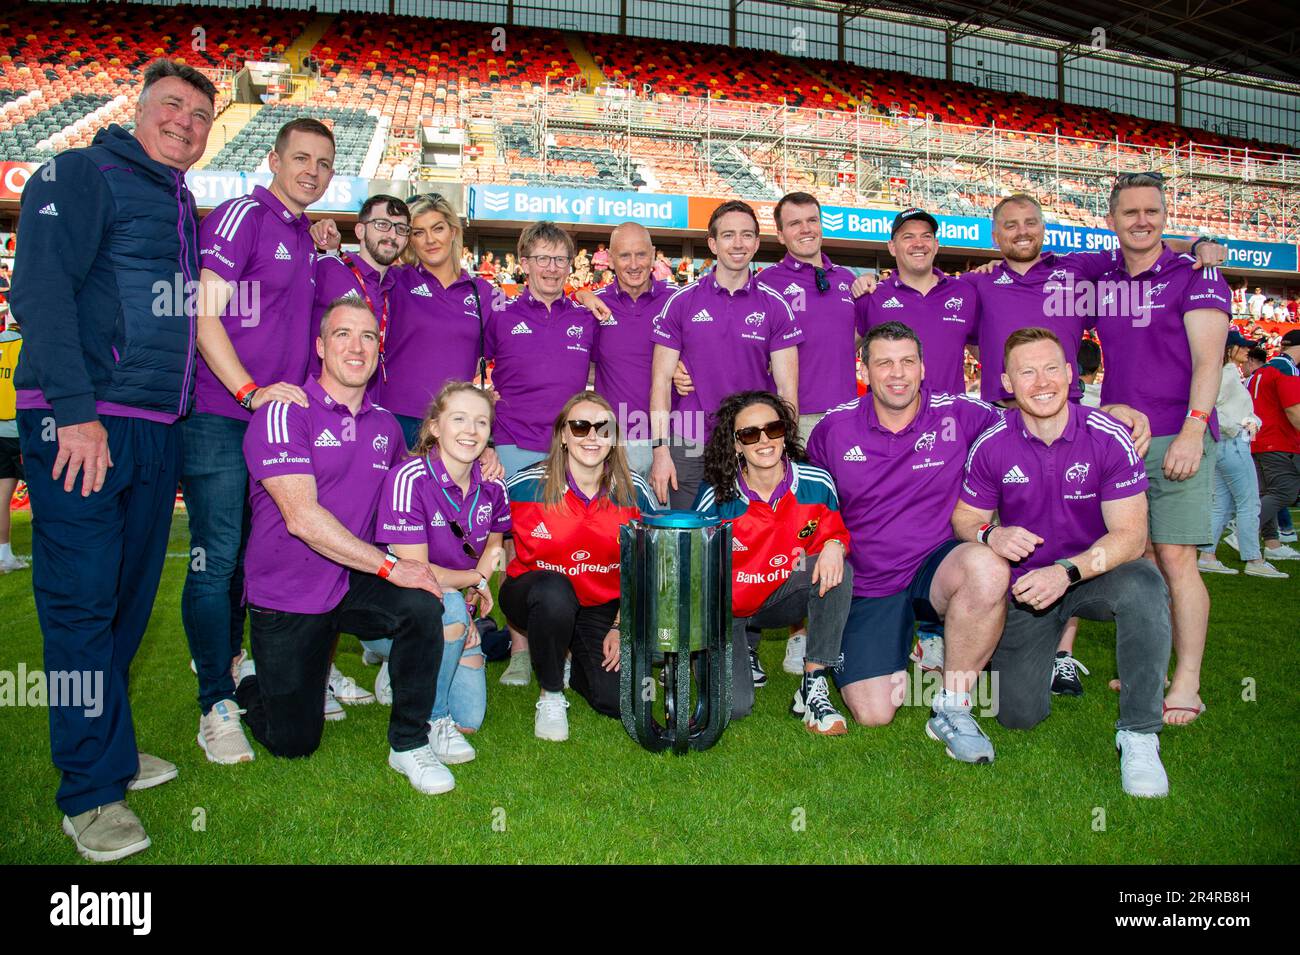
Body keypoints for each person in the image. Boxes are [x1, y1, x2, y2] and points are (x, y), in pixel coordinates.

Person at [11, 60, 217, 861]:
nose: (186, 124)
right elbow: (40, 291)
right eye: (172, 107)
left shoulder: (179, 200)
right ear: (139, 110)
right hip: (84, 425)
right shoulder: (79, 169)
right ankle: (89, 793)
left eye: (201, 116)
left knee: (129, 602)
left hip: (153, 428)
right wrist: (75, 412)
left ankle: (113, 751)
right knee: (79, 603)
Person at [237, 298, 452, 792]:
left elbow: (422, 482)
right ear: (320, 346)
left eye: (368, 336)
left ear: (379, 349)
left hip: (350, 580)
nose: (356, 347)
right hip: (289, 593)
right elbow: (302, 518)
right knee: (294, 742)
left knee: (422, 606)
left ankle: (410, 743)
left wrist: (480, 462)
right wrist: (390, 567)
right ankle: (249, 680)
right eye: (342, 334)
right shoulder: (284, 412)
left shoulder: (384, 426)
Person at [952, 327, 1173, 798]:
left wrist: (1067, 572)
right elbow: (966, 518)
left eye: (1052, 367)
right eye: (1026, 371)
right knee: (1016, 714)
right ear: (1007, 383)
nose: (1042, 381)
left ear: (1071, 374)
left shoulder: (1109, 435)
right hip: (1029, 589)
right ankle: (1041, 662)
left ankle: (1138, 734)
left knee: (1145, 585)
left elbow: (1132, 537)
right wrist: (992, 532)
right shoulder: (992, 442)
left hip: (1092, 574)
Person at [183, 117, 336, 762]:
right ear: (272, 159)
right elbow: (202, 313)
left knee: (256, 554)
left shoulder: (303, 236)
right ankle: (215, 698)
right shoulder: (242, 215)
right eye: (299, 158)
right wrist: (248, 391)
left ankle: (245, 667)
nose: (311, 171)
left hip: (274, 423)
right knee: (216, 557)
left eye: (323, 163)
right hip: (224, 414)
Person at [805, 322, 1011, 763]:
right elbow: (814, 502)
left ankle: (952, 705)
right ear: (864, 368)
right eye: (883, 362)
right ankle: (914, 644)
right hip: (870, 582)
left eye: (907, 361)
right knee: (874, 712)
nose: (897, 373)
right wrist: (830, 543)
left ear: (922, 367)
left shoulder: (959, 414)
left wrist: (1112, 414)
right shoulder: (834, 429)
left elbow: (1028, 420)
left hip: (934, 569)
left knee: (988, 568)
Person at [1093, 173, 1231, 725]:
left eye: (1152, 210)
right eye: (1130, 212)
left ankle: (1187, 680)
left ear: (1165, 216)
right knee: (1142, 558)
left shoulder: (1196, 276)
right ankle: (1149, 662)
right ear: (1111, 221)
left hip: (1178, 435)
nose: (1142, 220)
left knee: (1177, 560)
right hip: (1123, 439)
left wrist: (1195, 431)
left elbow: (1209, 361)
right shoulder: (1100, 280)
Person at [501, 391, 658, 740]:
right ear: (563, 435)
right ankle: (551, 694)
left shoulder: (635, 492)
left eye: (602, 428)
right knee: (554, 592)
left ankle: (571, 660)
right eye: (580, 426)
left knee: (621, 701)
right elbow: (483, 530)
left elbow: (649, 564)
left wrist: (622, 625)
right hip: (534, 596)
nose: (591, 436)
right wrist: (477, 584)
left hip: (600, 607)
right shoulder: (524, 486)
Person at [694, 390, 852, 733]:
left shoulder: (816, 482)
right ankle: (725, 655)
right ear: (736, 444)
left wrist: (835, 545)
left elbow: (834, 533)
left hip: (779, 597)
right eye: (750, 434)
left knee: (838, 568)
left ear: (785, 433)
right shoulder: (716, 497)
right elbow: (693, 572)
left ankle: (813, 684)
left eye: (774, 429)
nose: (764, 441)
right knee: (734, 707)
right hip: (726, 610)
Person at [375, 381, 510, 763]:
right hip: (405, 604)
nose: (471, 431)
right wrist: (471, 584)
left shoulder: (494, 485)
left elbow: (496, 545)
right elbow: (417, 572)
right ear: (435, 426)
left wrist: (481, 581)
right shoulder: (409, 478)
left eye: (481, 422)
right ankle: (432, 719)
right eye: (460, 419)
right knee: (448, 609)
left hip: (454, 601)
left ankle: (410, 665)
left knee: (471, 718)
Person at [650, 200, 803, 509]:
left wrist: (783, 451)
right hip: (689, 438)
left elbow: (788, 392)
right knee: (690, 540)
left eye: (747, 235)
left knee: (746, 540)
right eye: (728, 235)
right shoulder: (681, 302)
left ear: (757, 243)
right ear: (713, 243)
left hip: (750, 440)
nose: (738, 243)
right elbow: (660, 383)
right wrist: (660, 452)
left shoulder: (776, 306)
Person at [380, 194, 496, 450]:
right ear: (410, 240)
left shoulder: (483, 292)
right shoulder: (395, 280)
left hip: (453, 424)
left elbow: (508, 346)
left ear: (453, 232)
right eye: (419, 232)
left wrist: (582, 296)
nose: (430, 240)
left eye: (438, 229)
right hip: (396, 417)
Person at [486, 221, 595, 481]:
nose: (552, 268)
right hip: (512, 445)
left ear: (570, 266)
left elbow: (603, 371)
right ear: (525, 264)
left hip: (571, 447)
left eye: (560, 259)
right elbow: (470, 371)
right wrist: (483, 401)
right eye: (543, 258)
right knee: (512, 522)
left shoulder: (586, 318)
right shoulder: (500, 315)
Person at [855, 209, 978, 397]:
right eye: (908, 237)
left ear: (936, 245)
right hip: (890, 421)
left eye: (926, 236)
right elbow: (840, 353)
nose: (918, 244)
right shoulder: (871, 296)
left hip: (949, 419)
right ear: (892, 247)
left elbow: (983, 351)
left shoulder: (965, 293)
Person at [582, 221, 672, 478]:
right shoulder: (596, 305)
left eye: (641, 254)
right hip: (613, 441)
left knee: (664, 518)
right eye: (624, 255)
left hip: (669, 442)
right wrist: (581, 295)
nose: (634, 264)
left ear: (653, 255)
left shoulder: (677, 301)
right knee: (617, 519)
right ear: (610, 259)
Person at [1197, 330, 1286, 578]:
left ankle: (1207, 554)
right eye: (1243, 347)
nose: (1248, 350)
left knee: (1223, 504)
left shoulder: (1223, 373)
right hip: (1233, 443)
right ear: (1229, 349)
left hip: (1224, 444)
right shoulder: (1225, 375)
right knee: (1249, 502)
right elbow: (1214, 408)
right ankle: (1254, 559)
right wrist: (1240, 426)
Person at [308, 195, 410, 402]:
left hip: (368, 410)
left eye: (401, 229)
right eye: (382, 224)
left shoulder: (398, 284)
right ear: (360, 230)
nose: (392, 235)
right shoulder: (328, 268)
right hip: (318, 407)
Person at [1248, 335, 1300, 562]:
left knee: (1267, 493)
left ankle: (1272, 543)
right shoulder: (1286, 368)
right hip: (1278, 439)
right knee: (1284, 492)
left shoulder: (1260, 371)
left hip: (1256, 438)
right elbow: (1293, 409)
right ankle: (1245, 530)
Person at [0, 312, 28, 573]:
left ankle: (3, 555)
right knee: (43, 495)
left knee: (1, 496)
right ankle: (48, 553)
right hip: (21, 428)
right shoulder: (26, 344)